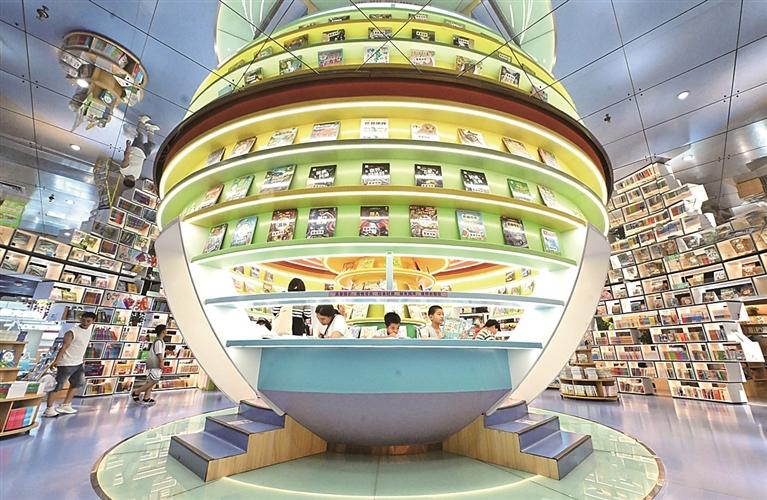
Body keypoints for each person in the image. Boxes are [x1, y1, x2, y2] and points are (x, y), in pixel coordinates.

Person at [43, 312, 96, 417]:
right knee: (57, 385)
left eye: (88, 321)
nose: (85, 322)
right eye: (83, 320)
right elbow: (64, 347)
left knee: (77, 383)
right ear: (80, 319)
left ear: (93, 321)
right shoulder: (72, 332)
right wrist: (56, 361)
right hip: (66, 362)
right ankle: (49, 408)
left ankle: (66, 404)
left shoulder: (90, 331)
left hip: (78, 362)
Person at [131, 325, 169, 405]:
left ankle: (146, 398)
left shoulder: (159, 341)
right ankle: (136, 392)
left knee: (151, 381)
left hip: (154, 363)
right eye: (166, 330)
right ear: (163, 331)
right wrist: (161, 362)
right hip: (154, 363)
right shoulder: (158, 341)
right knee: (153, 381)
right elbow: (159, 353)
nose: (167, 331)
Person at [120, 115, 160, 188]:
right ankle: (150, 129)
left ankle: (141, 120)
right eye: (133, 180)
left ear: (125, 178)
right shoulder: (136, 177)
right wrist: (144, 158)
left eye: (130, 178)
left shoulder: (124, 170)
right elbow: (140, 167)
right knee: (151, 145)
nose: (133, 178)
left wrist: (128, 146)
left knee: (140, 135)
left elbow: (126, 157)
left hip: (135, 150)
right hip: (143, 155)